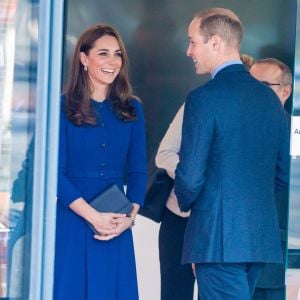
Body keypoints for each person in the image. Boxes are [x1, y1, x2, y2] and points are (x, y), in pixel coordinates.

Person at [174, 8, 290, 300]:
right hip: (257, 237)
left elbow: (189, 178)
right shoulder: (270, 100)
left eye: (192, 42)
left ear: (214, 42)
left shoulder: (204, 98)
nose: (189, 51)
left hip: (216, 238)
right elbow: (282, 175)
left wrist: (191, 204)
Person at [54, 24, 147, 300]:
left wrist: (128, 219)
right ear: (84, 58)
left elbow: (139, 170)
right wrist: (93, 216)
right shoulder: (61, 107)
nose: (112, 61)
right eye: (103, 53)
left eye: (117, 54)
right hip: (74, 222)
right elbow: (55, 175)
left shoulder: (133, 108)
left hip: (116, 224)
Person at [250, 58, 292, 300]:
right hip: (230, 259)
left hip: (275, 259)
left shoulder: (294, 134)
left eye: (263, 86)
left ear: (285, 91)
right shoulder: (230, 127)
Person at [155, 104, 196, 300]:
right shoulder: (196, 102)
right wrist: (194, 178)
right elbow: (164, 155)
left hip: (221, 224)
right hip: (180, 215)